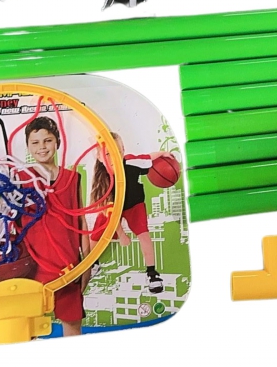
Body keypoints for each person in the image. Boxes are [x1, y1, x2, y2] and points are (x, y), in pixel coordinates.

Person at [16, 116, 89, 337]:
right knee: (25, 329)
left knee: (72, 325)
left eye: (47, 140)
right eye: (35, 142)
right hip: (33, 267)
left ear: (57, 142)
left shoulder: (72, 178)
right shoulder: (20, 178)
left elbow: (81, 220)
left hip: (68, 266)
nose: (42, 147)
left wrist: (86, 263)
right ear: (28, 146)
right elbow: (7, 221)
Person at [89, 132, 175, 294]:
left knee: (144, 234)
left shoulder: (131, 162)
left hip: (134, 204)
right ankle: (91, 263)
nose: (114, 157)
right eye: (108, 154)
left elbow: (147, 158)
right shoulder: (104, 181)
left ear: (123, 150)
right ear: (99, 157)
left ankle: (152, 273)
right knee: (96, 234)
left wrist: (163, 153)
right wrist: (122, 235)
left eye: (118, 151)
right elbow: (112, 216)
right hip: (113, 209)